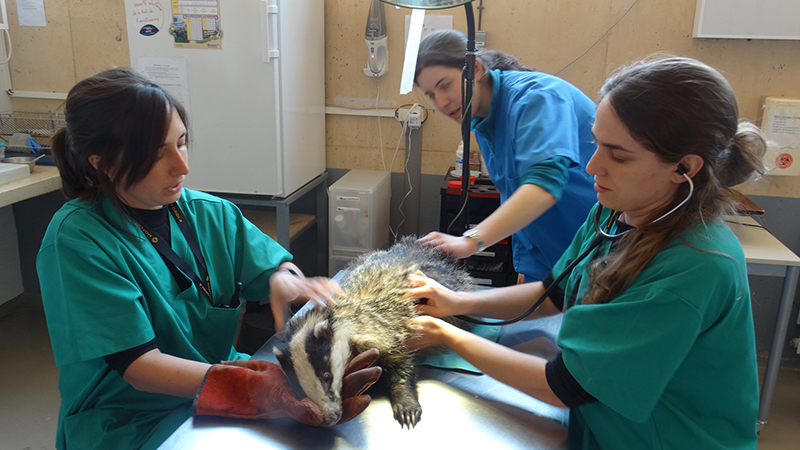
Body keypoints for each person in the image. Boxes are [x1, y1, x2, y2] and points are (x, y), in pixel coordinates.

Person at [405, 56, 765, 449]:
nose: (593, 166)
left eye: (619, 155)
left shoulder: (693, 265)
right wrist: (456, 302)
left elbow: (565, 385)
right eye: (596, 144)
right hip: (605, 429)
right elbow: (556, 291)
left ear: (684, 168)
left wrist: (446, 335)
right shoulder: (615, 212)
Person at [37, 68, 380, 450]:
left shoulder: (210, 213)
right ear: (101, 162)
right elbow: (139, 368)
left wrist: (285, 277)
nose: (182, 166)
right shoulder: (79, 240)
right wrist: (255, 388)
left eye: (182, 143)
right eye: (155, 155)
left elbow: (272, 265)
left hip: (223, 390)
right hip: (131, 419)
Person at [414, 30, 597, 282]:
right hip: (551, 264)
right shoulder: (483, 122)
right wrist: (528, 268)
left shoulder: (537, 97)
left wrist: (470, 241)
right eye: (432, 95)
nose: (442, 103)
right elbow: (515, 196)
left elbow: (542, 188)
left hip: (598, 255)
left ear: (475, 69)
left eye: (445, 85)